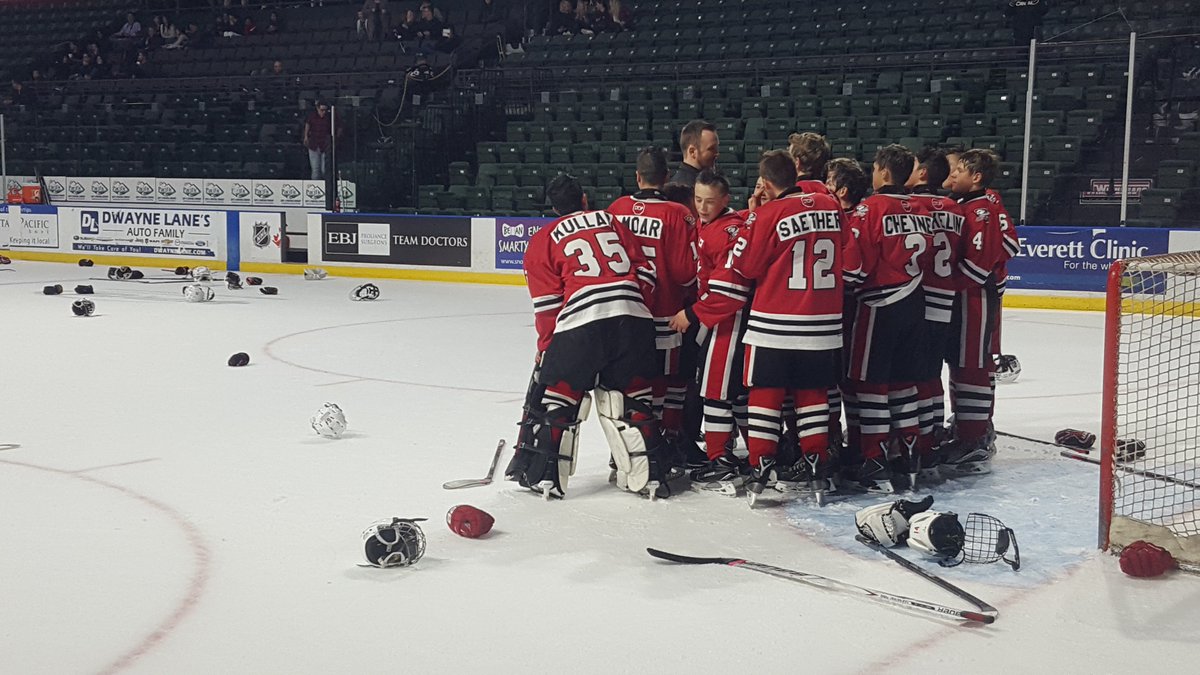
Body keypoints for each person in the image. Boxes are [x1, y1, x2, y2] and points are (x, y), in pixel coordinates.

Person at [506, 173, 674, 500]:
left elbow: (547, 305)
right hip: (633, 320)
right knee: (631, 400)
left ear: (552, 209)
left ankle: (547, 478)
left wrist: (546, 348)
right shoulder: (610, 221)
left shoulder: (543, 238)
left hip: (581, 325)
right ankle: (648, 476)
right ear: (584, 199)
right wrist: (637, 311)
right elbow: (645, 273)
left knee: (559, 401)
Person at [704, 151, 850, 502]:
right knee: (813, 394)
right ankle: (815, 463)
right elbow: (846, 248)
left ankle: (761, 465)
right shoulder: (830, 205)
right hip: (824, 321)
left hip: (774, 321)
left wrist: (755, 216)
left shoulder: (767, 213)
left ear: (767, 184)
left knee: (765, 394)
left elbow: (748, 267)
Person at [842, 144, 933, 493]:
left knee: (872, 385)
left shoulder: (870, 208)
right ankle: (909, 456)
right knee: (903, 383)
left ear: (882, 171)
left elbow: (854, 267)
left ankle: (875, 456)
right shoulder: (922, 209)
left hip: (879, 306)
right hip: (915, 302)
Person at [606, 147, 699, 468]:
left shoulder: (616, 209)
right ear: (667, 176)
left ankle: (628, 446)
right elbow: (687, 272)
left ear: (636, 176)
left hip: (624, 315)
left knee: (633, 382)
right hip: (666, 315)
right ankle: (664, 443)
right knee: (669, 383)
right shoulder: (677, 214)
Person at [668, 169, 752, 487]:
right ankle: (754, 454)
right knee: (735, 392)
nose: (702, 207)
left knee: (714, 390)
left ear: (725, 200)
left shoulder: (726, 231)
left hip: (728, 319)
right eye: (698, 200)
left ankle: (721, 459)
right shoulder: (715, 223)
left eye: (710, 202)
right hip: (719, 317)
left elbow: (731, 293)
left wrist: (691, 314)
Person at [937, 149, 1017, 474]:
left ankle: (974, 438)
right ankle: (969, 430)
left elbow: (993, 254)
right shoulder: (969, 205)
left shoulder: (982, 209)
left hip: (974, 298)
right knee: (964, 364)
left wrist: (949, 286)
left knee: (973, 365)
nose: (953, 175)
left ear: (976, 177)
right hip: (970, 296)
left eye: (958, 170)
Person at [904, 148, 964, 481]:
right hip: (947, 300)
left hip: (917, 299)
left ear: (923, 173)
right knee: (931, 377)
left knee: (908, 378)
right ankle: (930, 439)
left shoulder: (913, 207)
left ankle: (910, 441)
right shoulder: (956, 209)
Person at [671, 119, 719, 186]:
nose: (717, 153)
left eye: (716, 148)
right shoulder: (683, 190)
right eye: (711, 149)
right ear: (692, 152)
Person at [303, 101, 333, 181]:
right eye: (322, 110)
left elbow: (338, 126)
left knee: (324, 169)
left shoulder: (329, 117)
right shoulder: (312, 116)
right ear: (317, 108)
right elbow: (307, 124)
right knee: (315, 170)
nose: (324, 112)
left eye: (325, 110)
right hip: (314, 145)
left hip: (325, 145)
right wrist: (305, 136)